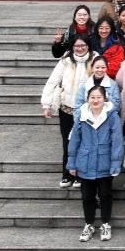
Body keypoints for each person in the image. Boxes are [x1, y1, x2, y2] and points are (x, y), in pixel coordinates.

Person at [67, 84, 123, 242]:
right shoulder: (82, 115)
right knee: (87, 196)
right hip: (85, 162)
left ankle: (105, 224)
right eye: (92, 97)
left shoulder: (112, 116)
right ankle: (89, 224)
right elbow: (75, 139)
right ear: (87, 99)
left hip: (105, 162)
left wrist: (115, 163)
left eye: (99, 97)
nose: (95, 100)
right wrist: (71, 163)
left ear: (104, 99)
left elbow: (117, 141)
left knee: (105, 195)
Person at [41, 36, 93, 187]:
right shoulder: (65, 61)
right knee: (68, 142)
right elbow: (52, 81)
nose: (80, 48)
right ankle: (67, 174)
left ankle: (80, 175)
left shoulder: (95, 59)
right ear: (72, 47)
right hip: (67, 109)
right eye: (77, 46)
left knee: (84, 142)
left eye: (83, 45)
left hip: (87, 110)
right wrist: (47, 104)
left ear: (88, 46)